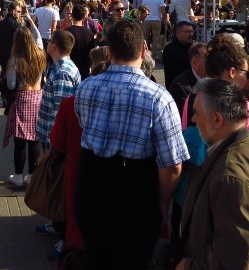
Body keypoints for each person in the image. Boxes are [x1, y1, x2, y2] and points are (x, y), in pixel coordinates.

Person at [74, 19, 189, 269]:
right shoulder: (159, 97)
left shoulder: (85, 87)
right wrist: (163, 200)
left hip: (91, 187)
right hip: (135, 194)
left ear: (110, 50)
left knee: (95, 257)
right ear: (144, 50)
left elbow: (85, 126)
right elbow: (172, 165)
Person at [176, 78, 249, 269]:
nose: (193, 119)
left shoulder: (230, 175)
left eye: (196, 113)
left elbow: (231, 258)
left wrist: (188, 265)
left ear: (217, 119)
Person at [3, 27, 46, 188]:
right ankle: (32, 175)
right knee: (34, 140)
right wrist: (30, 21)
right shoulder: (40, 55)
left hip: (22, 99)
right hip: (38, 98)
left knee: (20, 141)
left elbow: (11, 84)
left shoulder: (14, 60)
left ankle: (18, 176)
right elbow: (39, 39)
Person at [35, 30, 80, 148]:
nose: (47, 44)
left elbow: (59, 113)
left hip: (54, 143)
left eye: (49, 41)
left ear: (54, 46)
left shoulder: (62, 73)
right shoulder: (58, 68)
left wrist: (53, 146)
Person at [170, 42, 207, 116]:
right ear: (194, 63)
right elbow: (186, 117)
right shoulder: (180, 86)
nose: (213, 61)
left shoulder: (217, 79)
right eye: (208, 58)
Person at [163, 21, 195, 91]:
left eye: (192, 31)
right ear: (178, 33)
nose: (191, 34)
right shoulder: (170, 49)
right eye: (187, 32)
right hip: (177, 87)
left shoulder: (193, 47)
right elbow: (173, 72)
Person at [66, 3, 95, 80]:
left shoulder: (67, 32)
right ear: (84, 17)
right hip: (84, 69)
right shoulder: (90, 33)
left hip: (69, 69)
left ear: (72, 15)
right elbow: (91, 53)